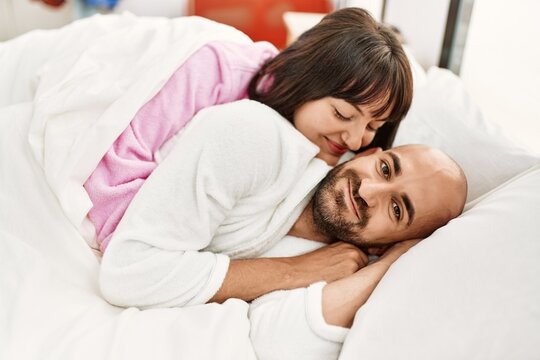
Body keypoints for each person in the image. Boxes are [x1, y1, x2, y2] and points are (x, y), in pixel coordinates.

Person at [84, 7, 413, 255]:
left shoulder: (341, 165)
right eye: (342, 114)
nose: (355, 140)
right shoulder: (216, 70)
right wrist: (139, 245)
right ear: (307, 79)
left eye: (373, 126)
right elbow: (119, 159)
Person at [99, 100, 467, 311]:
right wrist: (295, 271)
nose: (368, 190)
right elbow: (127, 273)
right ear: (368, 152)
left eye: (397, 209)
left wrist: (386, 265)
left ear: (379, 246)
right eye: (385, 168)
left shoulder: (342, 269)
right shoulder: (256, 138)